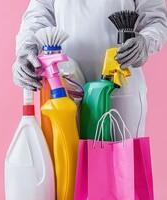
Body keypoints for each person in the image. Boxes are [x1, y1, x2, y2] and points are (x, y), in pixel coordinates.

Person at [13, 0, 167, 138]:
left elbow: (156, 20)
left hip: (119, 88)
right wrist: (25, 48)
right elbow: (36, 18)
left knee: (120, 163)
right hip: (66, 89)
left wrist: (145, 42)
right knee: (69, 162)